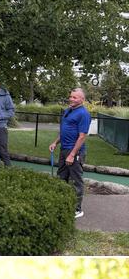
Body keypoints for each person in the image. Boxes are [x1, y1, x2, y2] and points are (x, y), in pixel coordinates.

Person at [49, 88, 91, 218]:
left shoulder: (83, 114)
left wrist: (72, 154)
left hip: (74, 151)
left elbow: (82, 136)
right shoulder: (68, 111)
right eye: (71, 96)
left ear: (82, 100)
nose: (71, 99)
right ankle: (62, 203)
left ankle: (77, 209)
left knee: (76, 180)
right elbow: (64, 130)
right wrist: (55, 142)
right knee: (62, 177)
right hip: (64, 149)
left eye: (75, 97)